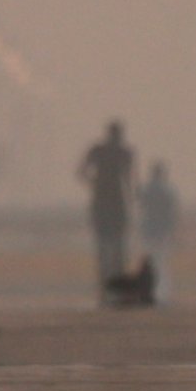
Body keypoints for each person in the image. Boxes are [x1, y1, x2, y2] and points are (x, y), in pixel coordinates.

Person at [80, 121, 136, 290]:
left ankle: (108, 288)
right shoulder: (124, 152)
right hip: (115, 203)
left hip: (103, 202)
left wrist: (94, 184)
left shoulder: (99, 150)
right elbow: (128, 180)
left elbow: (81, 172)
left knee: (106, 248)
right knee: (116, 248)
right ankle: (113, 288)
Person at [135, 159, 180, 301]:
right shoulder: (167, 191)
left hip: (150, 230)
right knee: (162, 262)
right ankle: (162, 293)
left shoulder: (148, 189)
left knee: (152, 261)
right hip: (161, 230)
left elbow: (141, 204)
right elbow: (171, 213)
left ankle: (153, 293)